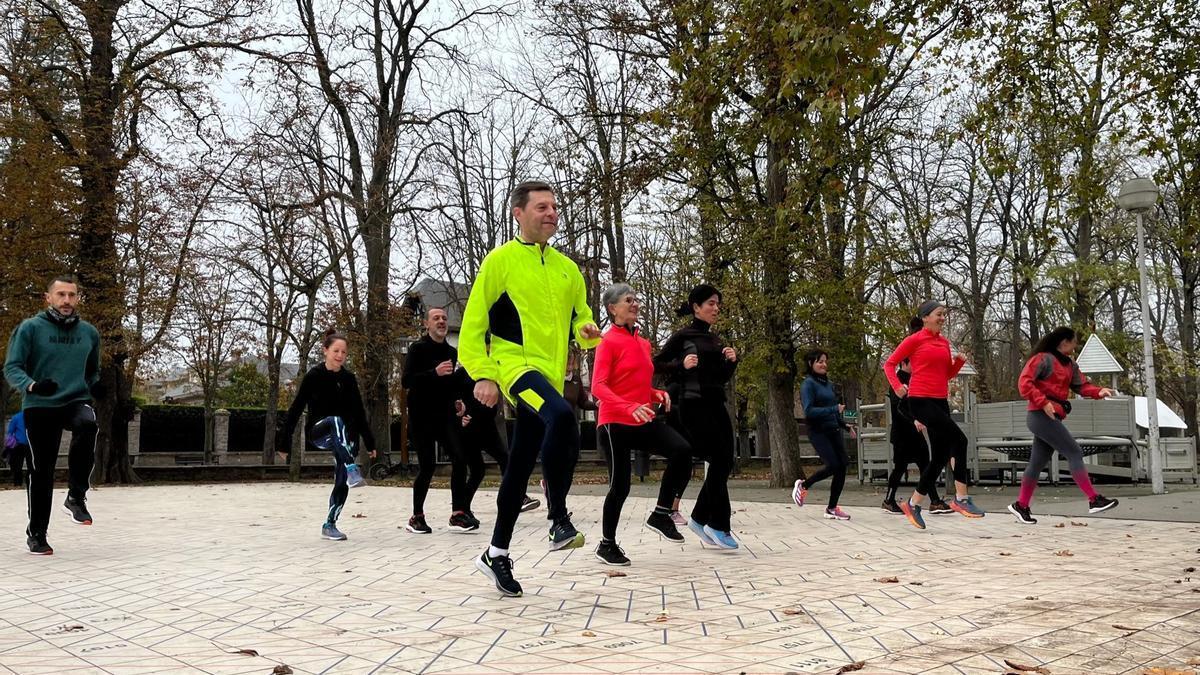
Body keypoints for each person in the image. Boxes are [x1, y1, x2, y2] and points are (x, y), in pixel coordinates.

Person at [460, 180, 602, 597]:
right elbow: (472, 326)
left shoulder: (567, 269)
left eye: (554, 207)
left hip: (551, 377)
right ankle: (558, 518)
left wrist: (587, 331)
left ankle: (496, 553)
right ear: (518, 213)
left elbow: (582, 317)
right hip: (516, 368)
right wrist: (483, 374)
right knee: (562, 417)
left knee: (520, 464)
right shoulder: (500, 262)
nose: (551, 213)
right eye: (542, 207)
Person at [591, 283, 693, 565]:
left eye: (636, 299)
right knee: (620, 487)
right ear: (613, 308)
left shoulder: (643, 343)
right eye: (628, 300)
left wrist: (655, 394)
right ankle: (607, 545)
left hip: (641, 417)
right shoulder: (607, 342)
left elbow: (634, 384)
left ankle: (661, 514)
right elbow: (598, 387)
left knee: (682, 450)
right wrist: (627, 406)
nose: (635, 304)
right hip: (615, 423)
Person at [4, 275, 101, 555]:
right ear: (48, 298)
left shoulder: (89, 333)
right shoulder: (30, 328)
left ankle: (76, 496)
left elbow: (92, 371)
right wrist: (32, 385)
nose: (66, 300)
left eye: (72, 295)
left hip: (75, 399)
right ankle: (37, 534)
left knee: (88, 424)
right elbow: (12, 367)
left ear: (78, 298)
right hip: (40, 403)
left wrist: (95, 385)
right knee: (41, 471)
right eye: (61, 294)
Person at [882, 300, 983, 529]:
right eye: (939, 314)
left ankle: (913, 504)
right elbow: (889, 364)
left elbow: (945, 374)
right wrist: (897, 386)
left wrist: (959, 362)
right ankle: (961, 498)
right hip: (920, 400)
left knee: (939, 456)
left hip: (940, 401)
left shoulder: (944, 343)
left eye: (944, 314)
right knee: (960, 440)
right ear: (925, 317)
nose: (943, 318)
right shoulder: (914, 340)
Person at [654, 283, 739, 549]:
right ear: (696, 307)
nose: (716, 308)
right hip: (693, 407)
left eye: (718, 304)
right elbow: (656, 364)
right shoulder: (683, 336)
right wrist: (681, 365)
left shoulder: (715, 340)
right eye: (711, 303)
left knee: (726, 461)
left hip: (717, 404)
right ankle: (715, 523)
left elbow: (720, 378)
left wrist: (732, 362)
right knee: (719, 460)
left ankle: (705, 520)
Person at [1009, 327, 1118, 524]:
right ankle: (1094, 499)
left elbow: (1081, 385)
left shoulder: (1070, 365)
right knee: (1074, 451)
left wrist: (1098, 391)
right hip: (1040, 416)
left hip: (1051, 417)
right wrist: (1043, 402)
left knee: (1037, 463)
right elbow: (1024, 383)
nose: (1076, 345)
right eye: (1074, 341)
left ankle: (1021, 505)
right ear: (1064, 342)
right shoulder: (1042, 359)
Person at [280, 328, 376, 541]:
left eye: (344, 352)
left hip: (344, 437)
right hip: (319, 432)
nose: (340, 355)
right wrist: (284, 443)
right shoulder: (314, 376)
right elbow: (296, 409)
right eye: (336, 351)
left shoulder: (349, 379)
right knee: (335, 420)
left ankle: (330, 524)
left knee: (341, 481)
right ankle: (352, 468)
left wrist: (370, 442)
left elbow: (359, 412)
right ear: (325, 351)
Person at [401, 308, 476, 534]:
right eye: (436, 318)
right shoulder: (417, 349)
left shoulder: (451, 352)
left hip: (445, 417)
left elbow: (449, 385)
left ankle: (458, 514)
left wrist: (459, 401)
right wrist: (434, 373)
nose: (441, 321)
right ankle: (417, 517)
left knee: (460, 459)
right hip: (421, 417)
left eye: (444, 318)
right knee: (428, 466)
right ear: (427, 324)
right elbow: (407, 381)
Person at [882, 319, 949, 515]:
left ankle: (935, 501)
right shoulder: (897, 380)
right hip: (902, 433)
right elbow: (900, 407)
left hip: (916, 433)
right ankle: (889, 500)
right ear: (905, 361)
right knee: (900, 467)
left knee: (926, 464)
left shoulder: (917, 379)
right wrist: (915, 419)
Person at [454, 367, 540, 513]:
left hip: (488, 426)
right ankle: (462, 508)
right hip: (469, 429)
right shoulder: (461, 374)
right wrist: (459, 417)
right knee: (477, 471)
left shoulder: (491, 371)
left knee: (505, 460)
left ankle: (518, 498)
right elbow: (452, 400)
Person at [791, 349, 852, 520]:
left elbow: (833, 410)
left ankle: (832, 508)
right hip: (818, 431)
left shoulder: (828, 384)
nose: (824, 364)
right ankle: (804, 485)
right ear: (811, 363)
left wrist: (845, 425)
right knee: (833, 465)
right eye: (820, 361)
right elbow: (809, 411)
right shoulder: (808, 384)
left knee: (842, 466)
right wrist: (834, 409)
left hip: (833, 429)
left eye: (825, 361)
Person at [4, 411, 29, 486]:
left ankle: (18, 482)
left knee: (18, 465)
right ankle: (29, 481)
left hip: (19, 444)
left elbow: (10, 432)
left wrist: (9, 445)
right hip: (30, 444)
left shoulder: (16, 417)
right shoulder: (33, 416)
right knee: (31, 465)